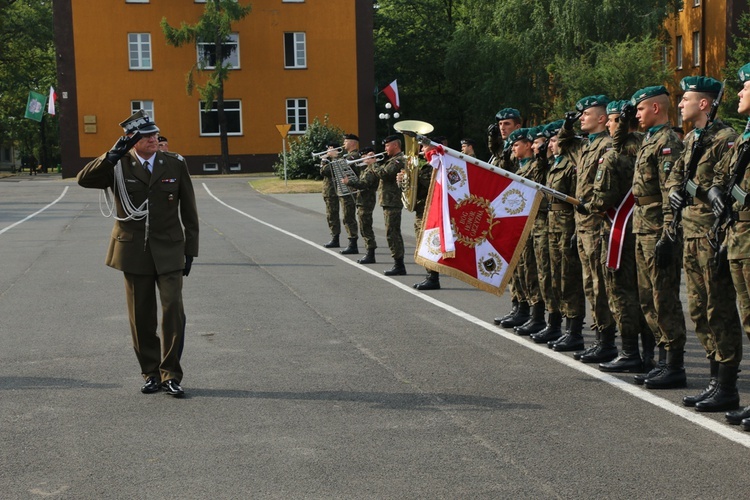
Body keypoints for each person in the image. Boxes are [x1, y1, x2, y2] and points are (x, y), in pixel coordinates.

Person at [77, 110, 199, 398]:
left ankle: (171, 374)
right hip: (133, 250)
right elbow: (84, 179)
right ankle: (151, 373)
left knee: (173, 310)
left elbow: (189, 211)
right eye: (147, 136)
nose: (154, 139)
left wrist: (190, 250)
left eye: (155, 134)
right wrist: (110, 155)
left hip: (169, 248)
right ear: (132, 141)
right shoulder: (118, 166)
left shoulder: (174, 163)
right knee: (140, 315)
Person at [665, 76, 743, 410]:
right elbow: (676, 177)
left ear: (704, 104)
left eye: (686, 99)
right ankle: (714, 380)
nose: (680, 104)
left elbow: (719, 184)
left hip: (712, 232)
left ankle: (726, 385)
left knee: (719, 308)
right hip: (691, 232)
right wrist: (674, 190)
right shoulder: (693, 137)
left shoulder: (726, 138)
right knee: (698, 310)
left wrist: (696, 188)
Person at [579, 100, 652, 374]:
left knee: (621, 291)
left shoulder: (616, 152)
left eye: (611, 120)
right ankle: (646, 354)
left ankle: (630, 352)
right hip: (640, 225)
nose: (608, 125)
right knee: (642, 292)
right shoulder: (644, 144)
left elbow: (605, 194)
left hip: (620, 229)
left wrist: (588, 206)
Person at [629, 85, 687, 389]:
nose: (636, 114)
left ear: (655, 108)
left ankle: (674, 363)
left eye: (640, 109)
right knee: (647, 296)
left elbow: (670, 193)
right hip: (643, 225)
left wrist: (668, 233)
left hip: (657, 228)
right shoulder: (648, 139)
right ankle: (662, 358)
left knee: (663, 296)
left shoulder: (667, 142)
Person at [558, 95, 617, 357]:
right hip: (582, 225)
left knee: (600, 285)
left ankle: (606, 341)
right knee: (590, 284)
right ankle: (599, 338)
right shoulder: (586, 146)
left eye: (586, 114)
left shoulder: (607, 145)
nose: (581, 118)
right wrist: (567, 126)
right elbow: (562, 144)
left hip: (598, 224)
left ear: (602, 118)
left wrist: (591, 207)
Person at [710, 63, 750, 426]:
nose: (739, 94)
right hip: (738, 238)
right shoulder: (745, 140)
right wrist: (717, 191)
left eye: (745, 88)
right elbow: (723, 178)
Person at [531, 120, 582, 344]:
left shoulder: (571, 164)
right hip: (552, 225)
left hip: (566, 224)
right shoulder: (553, 164)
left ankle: (573, 330)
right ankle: (554, 323)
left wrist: (576, 229)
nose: (550, 145)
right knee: (553, 277)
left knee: (568, 278)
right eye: (549, 141)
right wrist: (541, 157)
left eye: (553, 140)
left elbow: (577, 199)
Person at [375, 135, 407, 276]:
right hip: (389, 201)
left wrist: (372, 163)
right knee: (391, 232)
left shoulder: (399, 160)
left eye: (387, 146)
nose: (385, 148)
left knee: (392, 233)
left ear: (395, 145)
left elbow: (384, 173)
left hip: (393, 201)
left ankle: (399, 264)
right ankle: (397, 263)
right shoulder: (392, 160)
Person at [342, 147, 379, 264]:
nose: (363, 158)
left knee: (366, 228)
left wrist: (350, 182)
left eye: (366, 156)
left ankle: (370, 254)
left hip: (367, 202)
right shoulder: (366, 169)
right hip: (362, 201)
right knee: (364, 228)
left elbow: (364, 184)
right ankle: (369, 253)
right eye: (362, 156)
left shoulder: (372, 170)